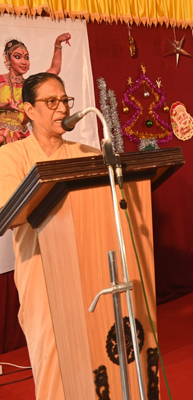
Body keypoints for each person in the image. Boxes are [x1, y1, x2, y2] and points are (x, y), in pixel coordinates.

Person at [0, 72, 100, 399]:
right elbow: (9, 213)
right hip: (41, 273)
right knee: (54, 367)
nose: (62, 108)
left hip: (89, 268)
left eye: (65, 100)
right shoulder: (11, 156)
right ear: (29, 110)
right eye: (51, 101)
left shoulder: (86, 154)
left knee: (96, 359)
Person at [0, 34, 71, 146]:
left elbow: (55, 69)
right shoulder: (1, 81)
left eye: (26, 58)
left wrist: (58, 44)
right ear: (8, 58)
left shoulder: (30, 85)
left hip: (23, 138)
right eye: (18, 57)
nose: (24, 62)